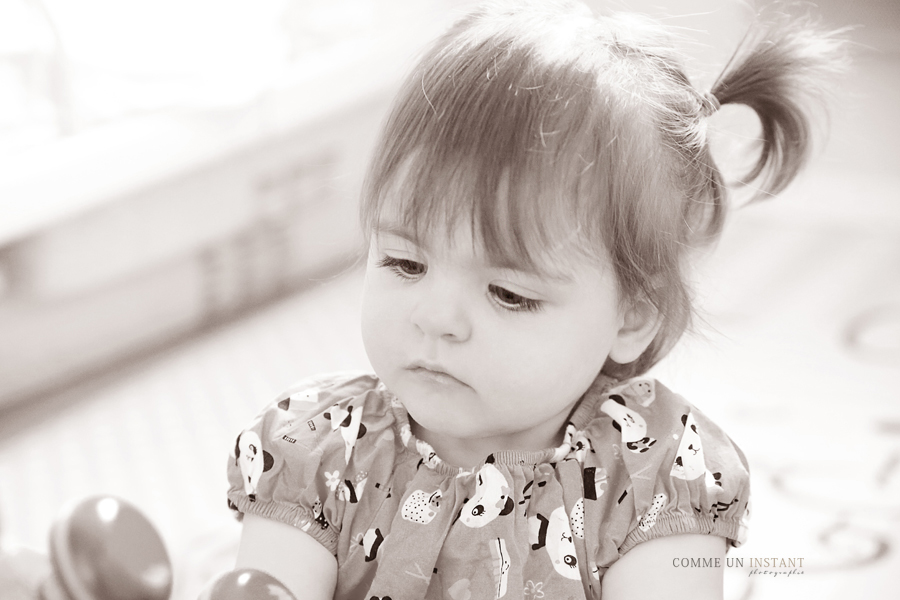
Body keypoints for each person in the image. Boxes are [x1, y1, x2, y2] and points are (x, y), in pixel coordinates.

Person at [225, 1, 846, 598]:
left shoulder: (653, 474)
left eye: (509, 294)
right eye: (404, 262)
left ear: (633, 314)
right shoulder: (319, 449)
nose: (435, 319)